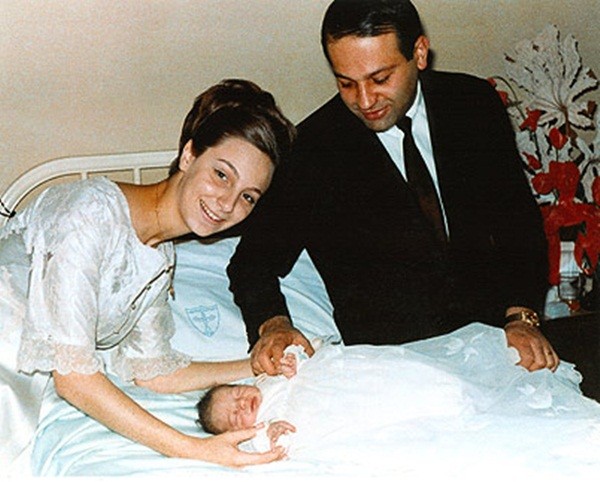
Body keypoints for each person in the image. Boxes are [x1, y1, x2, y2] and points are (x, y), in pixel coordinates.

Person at [227, 0, 555, 377]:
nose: (365, 101)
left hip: (498, 346)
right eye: (346, 83)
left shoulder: (472, 104)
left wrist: (521, 316)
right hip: (392, 368)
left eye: (380, 78)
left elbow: (519, 224)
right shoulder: (314, 151)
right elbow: (252, 264)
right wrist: (274, 325)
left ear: (419, 53)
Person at [0, 79, 296, 470]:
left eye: (248, 196)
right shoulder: (90, 214)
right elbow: (73, 378)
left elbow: (153, 373)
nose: (227, 204)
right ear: (189, 155)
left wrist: (257, 364)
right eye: (222, 175)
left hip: (26, 394)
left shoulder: (159, 255)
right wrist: (194, 448)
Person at [194, 323, 595, 468]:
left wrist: (292, 360)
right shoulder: (263, 427)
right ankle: (448, 406)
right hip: (341, 411)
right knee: (395, 412)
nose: (241, 405)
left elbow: (306, 351)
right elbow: (270, 446)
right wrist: (273, 434)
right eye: (234, 416)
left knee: (410, 374)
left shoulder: (268, 380)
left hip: (351, 376)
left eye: (235, 394)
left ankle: (455, 391)